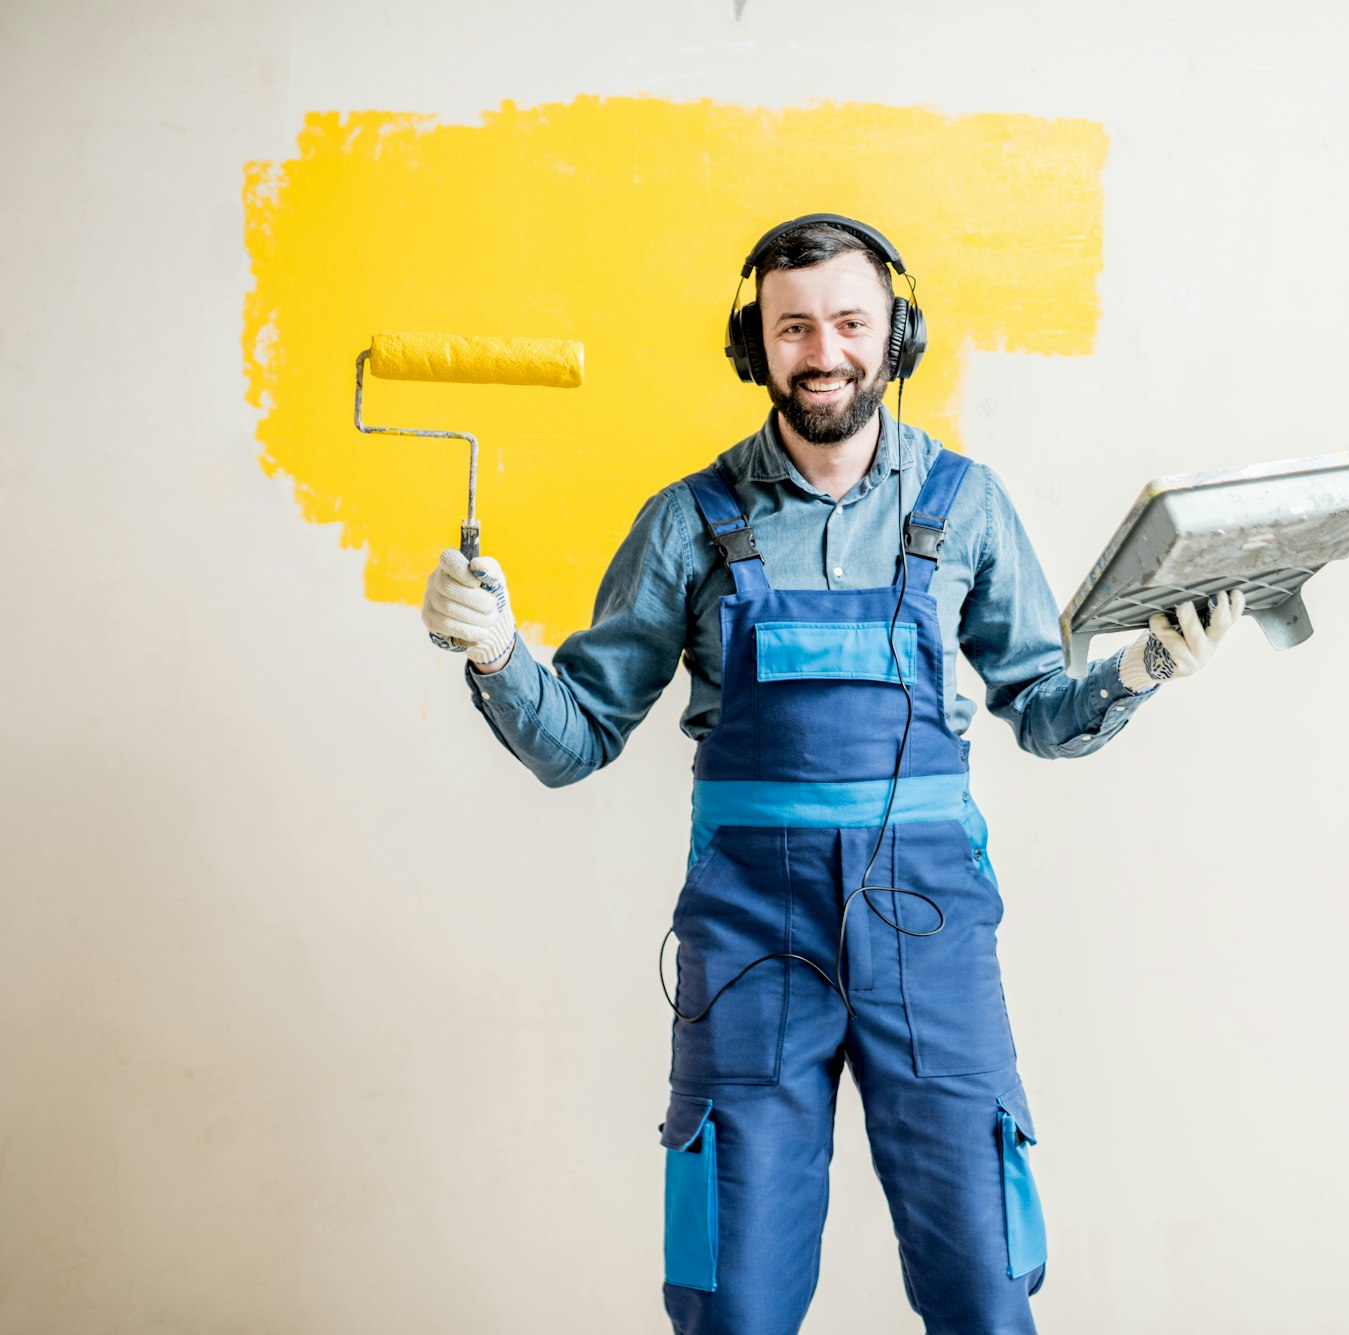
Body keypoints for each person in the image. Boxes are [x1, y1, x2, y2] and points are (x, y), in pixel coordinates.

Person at [419, 214, 1247, 1335]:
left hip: (929, 926)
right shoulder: (688, 524)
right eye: (793, 327)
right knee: (735, 1293)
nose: (824, 351)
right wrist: (497, 651)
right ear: (752, 347)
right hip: (753, 932)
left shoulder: (963, 509)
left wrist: (1142, 666)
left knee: (984, 1281)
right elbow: (575, 745)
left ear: (894, 336)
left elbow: (1045, 717)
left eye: (851, 323)